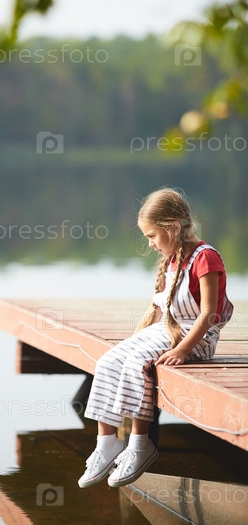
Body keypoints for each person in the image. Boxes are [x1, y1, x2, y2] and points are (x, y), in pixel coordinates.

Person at [78, 187, 233, 489]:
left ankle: (140, 444)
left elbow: (209, 314)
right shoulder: (173, 258)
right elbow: (164, 311)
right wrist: (144, 335)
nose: (149, 243)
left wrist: (184, 350)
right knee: (108, 361)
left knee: (137, 362)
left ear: (173, 228)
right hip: (170, 329)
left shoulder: (206, 258)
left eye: (151, 236)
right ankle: (107, 443)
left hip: (197, 337)